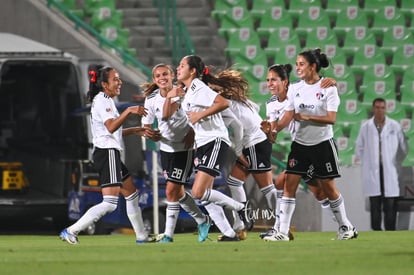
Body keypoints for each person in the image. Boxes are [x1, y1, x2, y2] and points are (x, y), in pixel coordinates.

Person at [60, 65, 157, 244]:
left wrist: (134, 130)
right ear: (105, 84)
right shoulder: (102, 100)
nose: (119, 82)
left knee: (132, 195)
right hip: (107, 154)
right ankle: (70, 231)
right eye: (115, 79)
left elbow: (111, 131)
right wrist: (129, 111)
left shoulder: (106, 100)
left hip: (109, 153)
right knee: (110, 203)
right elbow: (111, 126)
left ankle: (142, 236)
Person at [267, 49, 358, 241]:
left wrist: (307, 116)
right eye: (297, 64)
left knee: (328, 189)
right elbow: (289, 114)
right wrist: (274, 130)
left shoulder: (328, 88)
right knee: (289, 185)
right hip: (300, 145)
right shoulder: (294, 88)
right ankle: (282, 233)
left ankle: (345, 226)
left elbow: (331, 118)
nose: (298, 68)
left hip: (322, 144)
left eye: (301, 64)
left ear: (313, 66)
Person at [166, 55, 253, 241]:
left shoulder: (198, 87)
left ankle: (241, 208)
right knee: (205, 196)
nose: (178, 68)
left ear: (193, 71)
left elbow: (223, 103)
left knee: (198, 192)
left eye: (182, 65)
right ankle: (230, 233)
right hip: (204, 144)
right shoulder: (189, 91)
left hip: (215, 141)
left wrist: (199, 116)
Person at [260, 64, 338, 240]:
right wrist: (268, 132)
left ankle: (341, 223)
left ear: (285, 81)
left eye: (273, 79)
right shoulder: (271, 104)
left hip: (314, 146)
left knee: (318, 190)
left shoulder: (296, 93)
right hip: (300, 150)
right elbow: (273, 136)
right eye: (267, 80)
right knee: (285, 185)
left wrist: (332, 82)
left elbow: (286, 120)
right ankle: (280, 228)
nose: (269, 83)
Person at [141, 63, 212, 243]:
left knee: (171, 191)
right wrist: (150, 133)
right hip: (165, 149)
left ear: (172, 75)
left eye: (165, 74)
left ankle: (168, 236)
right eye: (158, 76)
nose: (162, 78)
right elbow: (147, 125)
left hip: (184, 149)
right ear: (154, 80)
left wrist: (193, 131)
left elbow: (190, 115)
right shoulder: (151, 98)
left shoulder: (183, 92)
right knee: (178, 193)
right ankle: (202, 220)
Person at [355, 97, 408, 231]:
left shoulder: (394, 126)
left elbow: (404, 149)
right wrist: (369, 162)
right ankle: (376, 233)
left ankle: (390, 233)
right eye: (377, 108)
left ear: (386, 109)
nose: (380, 110)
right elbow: (359, 148)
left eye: (382, 108)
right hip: (373, 170)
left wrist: (395, 162)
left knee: (390, 205)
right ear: (373, 109)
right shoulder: (365, 127)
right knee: (375, 205)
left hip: (390, 170)